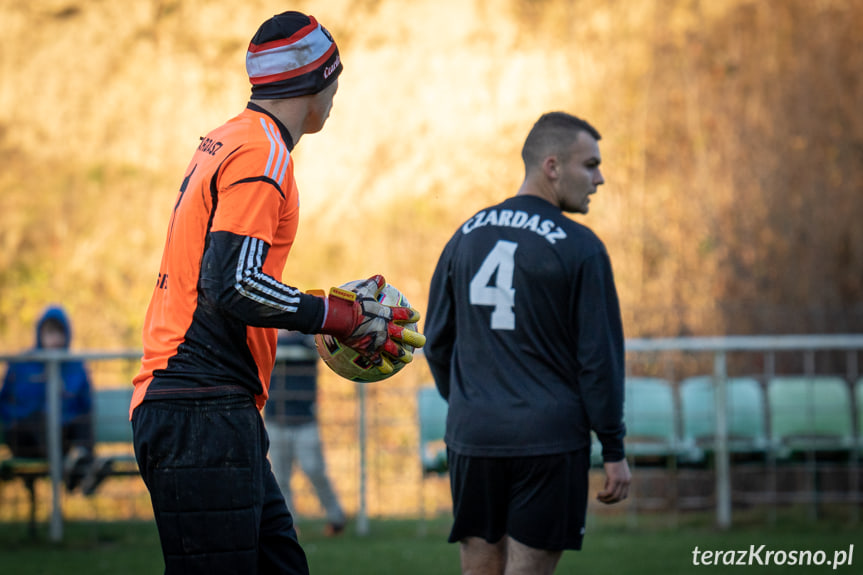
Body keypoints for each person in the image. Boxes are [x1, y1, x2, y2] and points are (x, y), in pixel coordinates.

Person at [129, 11, 424, 575]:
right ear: (315, 82)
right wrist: (337, 316)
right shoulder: (264, 151)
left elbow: (226, 278)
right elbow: (233, 283)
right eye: (335, 79)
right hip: (200, 407)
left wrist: (321, 307)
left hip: (205, 405)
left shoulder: (229, 137)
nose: (338, 94)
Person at [424, 112, 632, 575]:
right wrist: (613, 450)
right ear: (552, 167)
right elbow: (598, 361)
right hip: (547, 440)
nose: (599, 178)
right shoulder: (581, 247)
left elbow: (436, 341)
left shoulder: (466, 234)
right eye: (591, 164)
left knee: (479, 566)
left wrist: (467, 401)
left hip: (474, 435)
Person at [0, 305, 113, 495]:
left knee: (82, 420)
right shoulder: (21, 365)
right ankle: (75, 472)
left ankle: (82, 465)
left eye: (58, 333)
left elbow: (85, 405)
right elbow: (5, 402)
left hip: (61, 433)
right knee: (41, 419)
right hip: (26, 437)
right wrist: (19, 416)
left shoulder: (75, 367)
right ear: (40, 334)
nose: (54, 339)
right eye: (49, 333)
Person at [266, 330, 346, 536]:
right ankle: (289, 523)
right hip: (275, 419)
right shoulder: (269, 336)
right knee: (280, 477)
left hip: (305, 420)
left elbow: (324, 346)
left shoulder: (310, 340)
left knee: (315, 470)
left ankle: (336, 518)